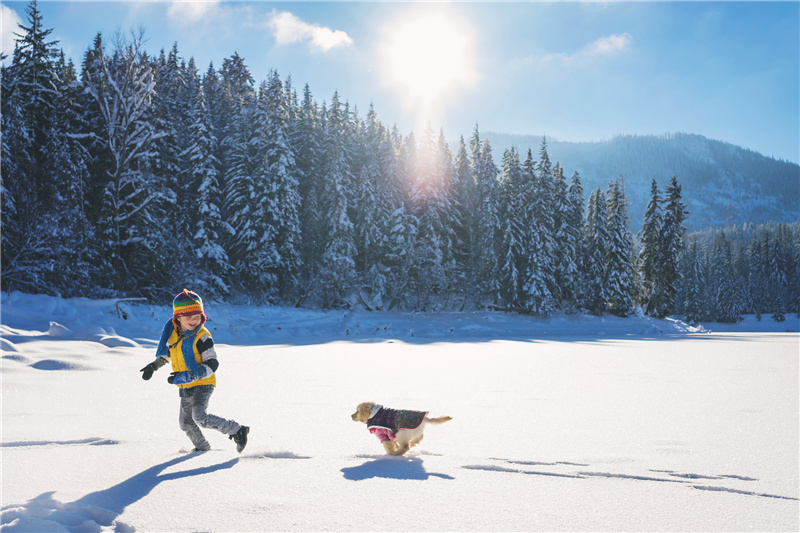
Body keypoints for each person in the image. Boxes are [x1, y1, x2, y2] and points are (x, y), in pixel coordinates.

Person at [140, 289, 249, 453]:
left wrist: (191, 375)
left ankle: (237, 430)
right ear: (178, 318)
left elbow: (213, 364)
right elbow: (171, 354)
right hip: (185, 385)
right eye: (189, 316)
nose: (194, 320)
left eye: (197, 316)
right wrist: (154, 366)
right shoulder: (174, 335)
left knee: (199, 417)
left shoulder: (202, 336)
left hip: (203, 383)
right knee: (185, 423)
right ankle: (202, 448)